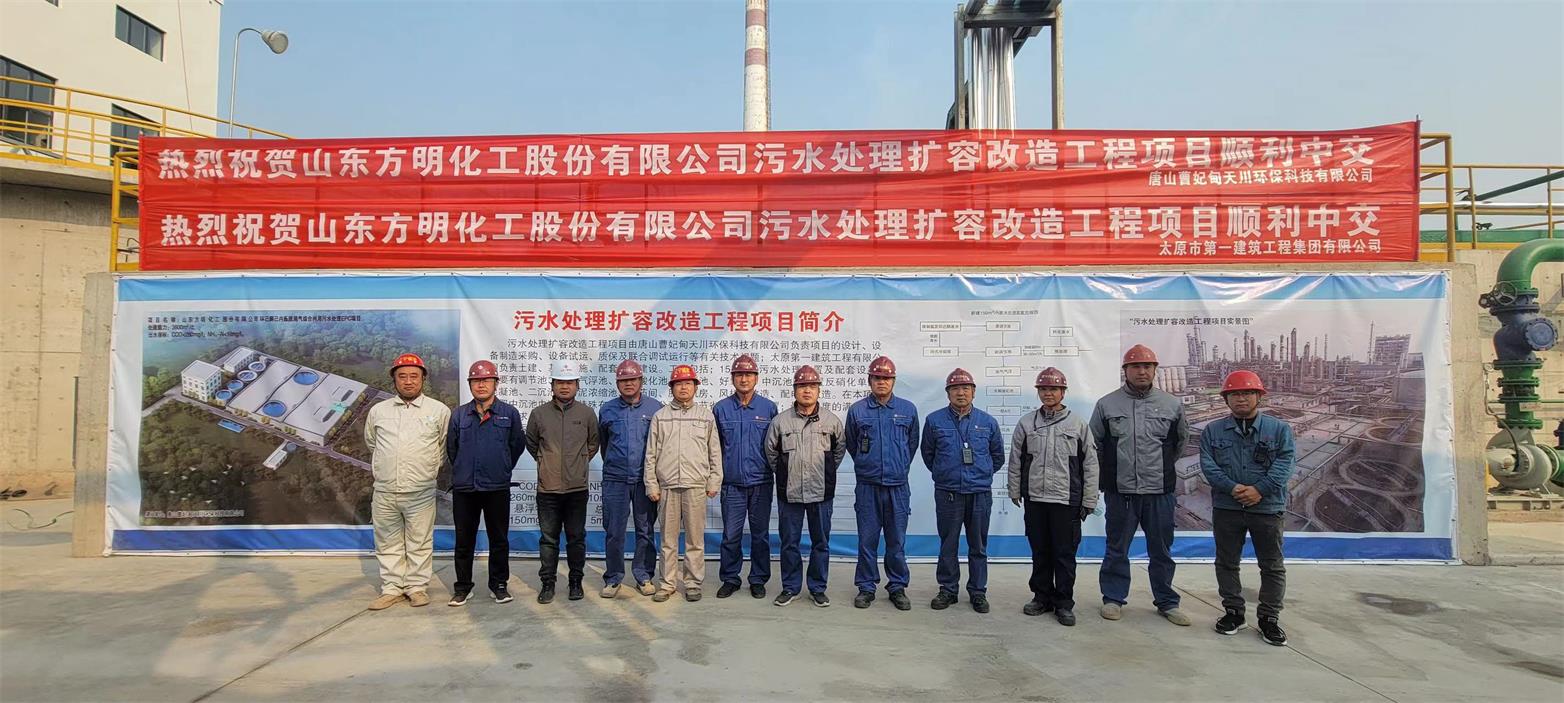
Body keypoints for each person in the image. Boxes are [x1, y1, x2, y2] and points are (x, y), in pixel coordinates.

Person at [1090, 344, 1191, 626]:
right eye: (1135, 366)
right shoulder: (1107, 405)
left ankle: (1167, 602)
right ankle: (1113, 598)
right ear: (1125, 371)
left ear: (1155, 370)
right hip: (1120, 492)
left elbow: (1179, 443)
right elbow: (1095, 445)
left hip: (1159, 492)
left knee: (1161, 550)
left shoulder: (1171, 405)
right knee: (1116, 548)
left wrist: (1157, 469)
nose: (1142, 371)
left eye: (1147, 366)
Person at [1200, 370, 1296, 646]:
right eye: (1234, 394)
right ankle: (1234, 612)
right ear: (1226, 399)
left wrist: (1260, 490)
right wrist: (1232, 488)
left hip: (1267, 508)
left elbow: (1285, 462)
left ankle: (1269, 618)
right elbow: (1208, 465)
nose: (1241, 398)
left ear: (1258, 397)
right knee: (1227, 562)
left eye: (1247, 393)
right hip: (1227, 508)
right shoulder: (1213, 431)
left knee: (1272, 565)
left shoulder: (1279, 429)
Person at [1008, 367, 1099, 626]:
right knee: (1040, 551)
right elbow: (1016, 459)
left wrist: (1089, 499)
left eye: (1054, 389)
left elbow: (1091, 464)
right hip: (1036, 500)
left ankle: (1064, 603)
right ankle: (1041, 597)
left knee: (1064, 554)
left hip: (1065, 501)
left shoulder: (1078, 424)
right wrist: (1014, 489)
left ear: (1063, 392)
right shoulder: (1027, 423)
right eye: (1044, 389)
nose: (1049, 393)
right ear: (1038, 392)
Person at [364, 353, 451, 610]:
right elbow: (372, 443)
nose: (409, 381)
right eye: (402, 376)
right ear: (394, 379)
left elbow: (443, 447)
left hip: (420, 491)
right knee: (387, 542)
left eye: (414, 376)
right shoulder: (379, 411)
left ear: (423, 379)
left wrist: (425, 469)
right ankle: (391, 588)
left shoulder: (438, 411)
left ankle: (416, 587)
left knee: (419, 542)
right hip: (385, 490)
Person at [920, 368, 1004, 613]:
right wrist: (946, 473)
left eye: (966, 388)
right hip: (948, 493)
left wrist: (980, 474)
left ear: (974, 392)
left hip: (979, 493)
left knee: (978, 546)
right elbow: (928, 454)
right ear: (948, 393)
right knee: (948, 543)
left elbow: (997, 456)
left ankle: (978, 592)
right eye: (955, 388)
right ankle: (948, 590)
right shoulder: (934, 421)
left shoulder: (987, 422)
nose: (961, 393)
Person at [762, 365, 846, 607]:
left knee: (821, 542)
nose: (807, 391)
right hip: (790, 493)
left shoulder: (831, 421)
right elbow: (771, 452)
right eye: (802, 386)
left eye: (811, 386)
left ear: (819, 390)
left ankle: (818, 588)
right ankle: (790, 587)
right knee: (790, 543)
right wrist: (787, 474)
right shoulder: (781, 421)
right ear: (794, 390)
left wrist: (824, 473)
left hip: (821, 493)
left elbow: (839, 451)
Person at [444, 360, 527, 606]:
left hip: (496, 487)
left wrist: (501, 467)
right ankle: (462, 587)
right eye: (476, 381)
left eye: (486, 380)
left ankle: (499, 585)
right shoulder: (459, 414)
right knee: (464, 540)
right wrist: (465, 469)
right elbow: (452, 449)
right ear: (470, 384)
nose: (481, 385)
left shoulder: (509, 413)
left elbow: (516, 445)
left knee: (499, 539)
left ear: (495, 383)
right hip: (465, 488)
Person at [846, 355, 920, 611]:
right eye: (877, 378)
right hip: (868, 486)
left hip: (897, 487)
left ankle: (897, 587)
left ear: (894, 381)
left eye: (886, 378)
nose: (881, 382)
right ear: (869, 380)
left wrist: (898, 466)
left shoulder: (908, 410)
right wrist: (868, 465)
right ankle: (866, 587)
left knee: (896, 541)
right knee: (867, 540)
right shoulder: (857, 410)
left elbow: (912, 445)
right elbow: (853, 445)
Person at [643, 364, 723, 602]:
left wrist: (714, 480)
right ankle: (667, 584)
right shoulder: (661, 417)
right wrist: (651, 484)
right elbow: (651, 454)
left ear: (695, 387)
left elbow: (715, 451)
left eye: (688, 383)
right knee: (667, 541)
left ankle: (692, 583)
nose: (684, 387)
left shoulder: (705, 416)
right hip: (667, 487)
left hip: (696, 486)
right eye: (679, 383)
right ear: (672, 388)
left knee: (694, 540)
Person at [526, 360, 599, 604]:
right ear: (552, 385)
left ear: (577, 385)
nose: (564, 387)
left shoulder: (586, 414)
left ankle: (575, 582)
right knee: (549, 540)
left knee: (576, 538)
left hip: (577, 489)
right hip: (547, 489)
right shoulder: (539, 414)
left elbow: (593, 443)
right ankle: (548, 584)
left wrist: (578, 463)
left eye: (569, 382)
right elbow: (532, 444)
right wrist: (546, 463)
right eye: (560, 382)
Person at [712, 354, 779, 600]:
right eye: (739, 374)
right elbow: (715, 447)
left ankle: (758, 579)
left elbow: (775, 446)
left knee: (760, 535)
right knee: (731, 535)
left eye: (748, 374)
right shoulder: (721, 409)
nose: (744, 379)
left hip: (761, 483)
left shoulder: (768, 408)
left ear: (756, 378)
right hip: (732, 485)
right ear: (732, 378)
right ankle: (730, 578)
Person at [596, 358, 663, 598]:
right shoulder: (607, 410)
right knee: (614, 531)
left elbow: (659, 445)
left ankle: (644, 575)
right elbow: (604, 445)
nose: (628, 384)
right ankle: (613, 577)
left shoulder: (655, 408)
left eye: (633, 379)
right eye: (623, 380)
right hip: (615, 479)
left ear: (641, 381)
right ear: (617, 384)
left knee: (645, 529)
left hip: (645, 480)